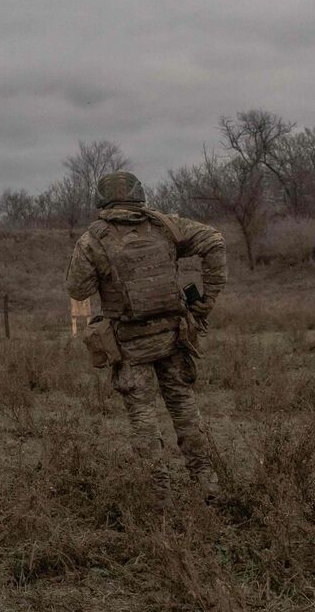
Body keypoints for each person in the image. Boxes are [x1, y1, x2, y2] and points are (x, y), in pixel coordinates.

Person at [66, 171, 227, 501]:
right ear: (139, 195)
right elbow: (215, 242)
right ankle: (206, 481)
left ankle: (160, 495)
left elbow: (77, 288)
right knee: (184, 408)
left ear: (102, 199)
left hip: (129, 343)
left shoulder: (92, 239)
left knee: (143, 417)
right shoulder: (166, 225)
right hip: (174, 336)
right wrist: (205, 303)